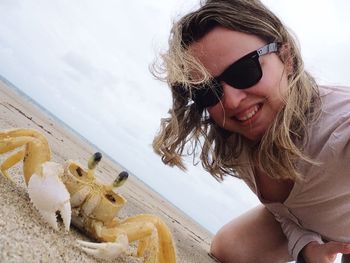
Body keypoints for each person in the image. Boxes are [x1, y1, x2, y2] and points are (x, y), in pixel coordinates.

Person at [151, 0, 350, 262]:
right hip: (312, 222)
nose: (231, 101)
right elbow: (282, 211)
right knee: (230, 248)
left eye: (244, 71)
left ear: (286, 58)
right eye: (208, 91)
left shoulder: (339, 126)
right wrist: (306, 247)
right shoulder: (235, 139)